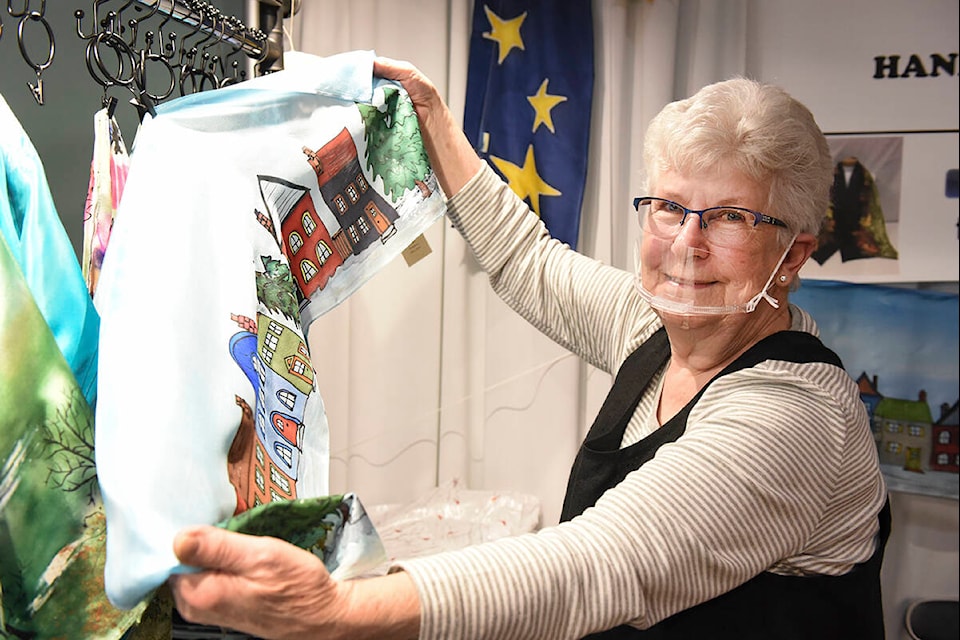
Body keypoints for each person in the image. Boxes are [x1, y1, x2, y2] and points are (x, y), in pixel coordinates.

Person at [167, 57, 890, 639]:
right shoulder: (658, 328)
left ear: (792, 256)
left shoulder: (794, 419)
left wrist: (337, 613)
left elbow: (602, 562)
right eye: (669, 207)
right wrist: (435, 121)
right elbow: (529, 263)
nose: (686, 245)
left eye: (729, 217)